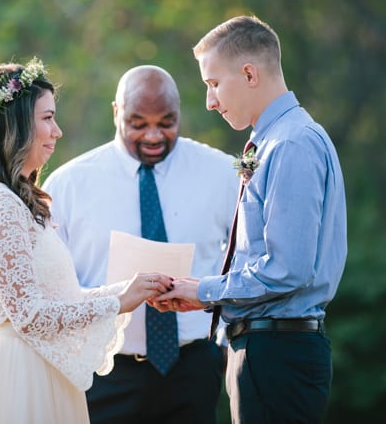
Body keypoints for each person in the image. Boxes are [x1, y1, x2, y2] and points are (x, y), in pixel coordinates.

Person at [0, 58, 172, 424]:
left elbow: (58, 301)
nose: (58, 131)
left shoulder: (15, 200)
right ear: (15, 124)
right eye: (47, 118)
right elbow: (31, 316)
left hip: (42, 371)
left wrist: (128, 291)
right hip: (18, 380)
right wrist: (116, 302)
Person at [153, 15, 348, 423]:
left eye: (213, 84)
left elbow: (286, 270)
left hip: (279, 355)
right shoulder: (276, 140)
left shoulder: (291, 144)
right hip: (267, 352)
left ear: (248, 73)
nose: (209, 101)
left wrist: (204, 289)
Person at [42, 65, 239, 424]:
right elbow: (52, 288)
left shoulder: (224, 174)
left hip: (193, 367)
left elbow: (247, 262)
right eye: (137, 123)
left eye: (166, 122)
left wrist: (225, 340)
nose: (153, 135)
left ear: (180, 111)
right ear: (116, 112)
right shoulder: (67, 186)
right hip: (104, 372)